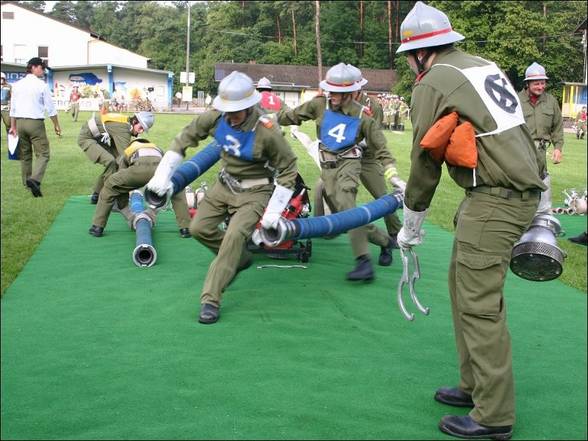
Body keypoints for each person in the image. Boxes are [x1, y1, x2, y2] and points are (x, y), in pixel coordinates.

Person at [395, 2, 545, 439]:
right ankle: (474, 384)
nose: (408, 65)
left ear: (421, 52)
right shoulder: (482, 65)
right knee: (461, 288)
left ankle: (494, 415)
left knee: (479, 306)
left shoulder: (433, 81)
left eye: (409, 56)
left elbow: (424, 157)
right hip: (503, 194)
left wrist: (413, 220)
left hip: (495, 199)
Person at [146, 71, 298, 324]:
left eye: (236, 112)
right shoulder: (218, 117)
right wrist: (162, 177)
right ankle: (239, 258)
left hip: (256, 191)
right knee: (198, 228)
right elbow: (184, 138)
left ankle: (211, 299)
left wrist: (273, 212)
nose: (230, 117)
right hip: (224, 185)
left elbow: (289, 168)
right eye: (226, 110)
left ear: (249, 107)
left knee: (233, 238)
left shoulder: (267, 130)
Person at [277, 63, 403, 281]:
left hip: (349, 164)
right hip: (327, 167)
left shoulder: (364, 114)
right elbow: (292, 116)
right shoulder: (319, 104)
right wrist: (267, 116)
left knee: (348, 205)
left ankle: (363, 261)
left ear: (352, 92)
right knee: (345, 214)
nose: (333, 95)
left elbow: (380, 146)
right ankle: (385, 242)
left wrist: (391, 171)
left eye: (339, 92)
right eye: (331, 90)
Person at [348, 64, 403, 255]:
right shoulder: (337, 103)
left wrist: (355, 144)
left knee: (382, 198)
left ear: (358, 88)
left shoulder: (373, 105)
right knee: (331, 192)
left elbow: (374, 136)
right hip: (345, 159)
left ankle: (395, 234)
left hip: (368, 159)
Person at [88, 138, 191, 238]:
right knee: (176, 189)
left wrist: (122, 205)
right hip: (159, 170)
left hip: (138, 170)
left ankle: (97, 226)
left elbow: (120, 182)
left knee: (110, 185)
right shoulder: (157, 148)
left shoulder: (129, 150)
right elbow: (167, 167)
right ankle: (185, 228)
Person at [9, 57, 62, 197]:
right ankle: (35, 180)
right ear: (33, 67)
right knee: (43, 154)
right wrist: (56, 124)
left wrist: (13, 126)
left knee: (25, 155)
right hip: (35, 123)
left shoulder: (16, 84)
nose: (43, 70)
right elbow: (50, 108)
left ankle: (27, 183)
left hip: (20, 122)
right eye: (41, 67)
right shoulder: (42, 85)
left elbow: (13, 107)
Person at [78, 111, 154, 204]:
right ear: (134, 122)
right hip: (87, 137)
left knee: (117, 162)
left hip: (98, 136)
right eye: (141, 127)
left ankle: (97, 194)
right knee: (111, 162)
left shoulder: (126, 124)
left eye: (143, 129)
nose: (141, 131)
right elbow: (126, 157)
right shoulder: (124, 129)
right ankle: (105, 196)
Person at [518, 62, 564, 215]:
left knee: (543, 182)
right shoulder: (516, 101)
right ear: (527, 83)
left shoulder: (551, 101)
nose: (540, 86)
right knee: (520, 188)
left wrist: (558, 148)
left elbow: (557, 127)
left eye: (543, 83)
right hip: (521, 151)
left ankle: (543, 223)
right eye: (536, 83)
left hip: (541, 153)